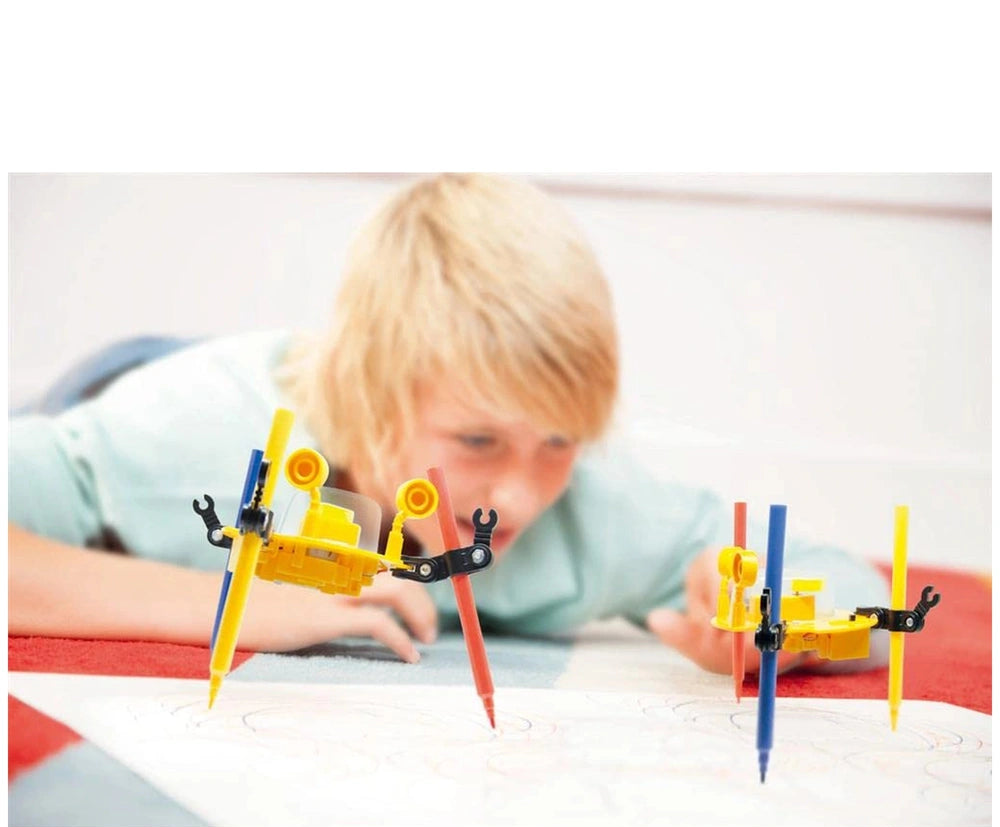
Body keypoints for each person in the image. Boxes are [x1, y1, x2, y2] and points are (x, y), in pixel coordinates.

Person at [8, 173, 890, 675]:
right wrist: (239, 606)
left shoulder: (592, 512)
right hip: (127, 384)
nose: (520, 493)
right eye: (478, 441)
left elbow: (854, 590)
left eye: (559, 441)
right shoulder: (173, 438)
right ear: (372, 396)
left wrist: (780, 624)